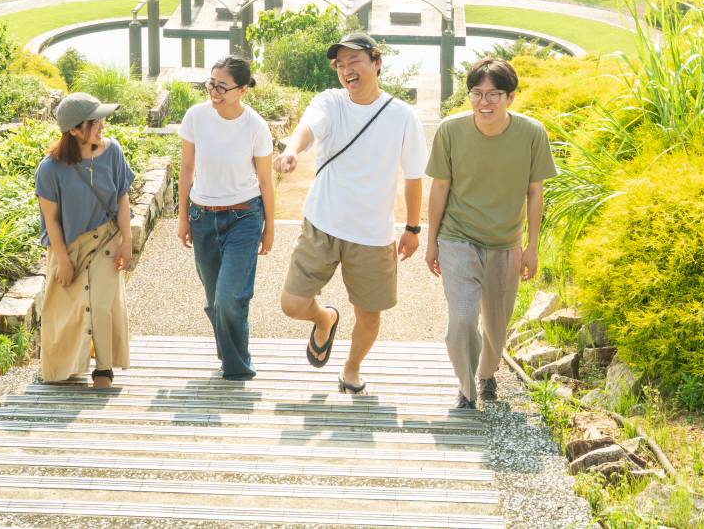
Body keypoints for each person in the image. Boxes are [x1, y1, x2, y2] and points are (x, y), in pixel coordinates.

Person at [274, 31, 426, 394]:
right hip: (322, 223)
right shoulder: (330, 102)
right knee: (293, 304)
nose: (346, 70)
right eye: (340, 65)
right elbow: (309, 128)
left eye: (354, 61)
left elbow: (414, 177)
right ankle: (324, 318)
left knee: (369, 314)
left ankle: (351, 369)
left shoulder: (402, 116)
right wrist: (293, 149)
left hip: (371, 234)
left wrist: (413, 228)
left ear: (377, 62)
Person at [425, 56, 556, 409]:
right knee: (463, 317)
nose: (484, 102)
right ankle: (467, 389)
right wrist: (431, 242)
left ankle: (486, 374)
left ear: (510, 98)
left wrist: (532, 247)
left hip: (505, 242)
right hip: (457, 237)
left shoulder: (531, 133)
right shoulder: (451, 131)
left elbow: (534, 192)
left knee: (496, 328)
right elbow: (439, 187)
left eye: (494, 94)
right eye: (477, 93)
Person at [176, 54, 277, 379]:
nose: (214, 92)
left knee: (228, 297)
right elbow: (187, 168)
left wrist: (270, 227)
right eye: (211, 84)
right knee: (213, 299)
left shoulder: (255, 127)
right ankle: (230, 354)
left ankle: (237, 368)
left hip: (244, 218)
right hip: (202, 216)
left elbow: (265, 180)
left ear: (243, 89)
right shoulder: (196, 117)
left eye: (222, 87)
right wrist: (182, 218)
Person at [35, 92, 135, 388]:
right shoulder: (50, 168)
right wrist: (63, 260)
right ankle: (66, 366)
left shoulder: (113, 151)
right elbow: (50, 219)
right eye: (95, 121)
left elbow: (122, 197)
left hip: (106, 241)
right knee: (70, 309)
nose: (103, 124)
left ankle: (104, 370)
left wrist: (126, 240)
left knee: (103, 305)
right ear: (75, 129)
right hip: (70, 247)